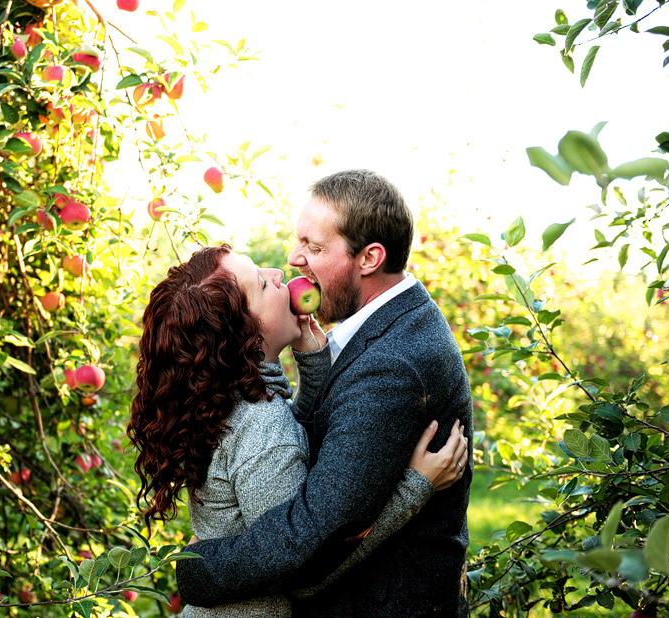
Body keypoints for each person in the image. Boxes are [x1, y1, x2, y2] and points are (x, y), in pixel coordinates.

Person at [175, 170, 474, 617]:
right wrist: (314, 364)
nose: (294, 260)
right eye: (300, 241)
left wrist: (197, 567)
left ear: (369, 258)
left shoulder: (391, 365)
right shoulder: (384, 331)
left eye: (314, 248)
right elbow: (310, 452)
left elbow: (310, 547)